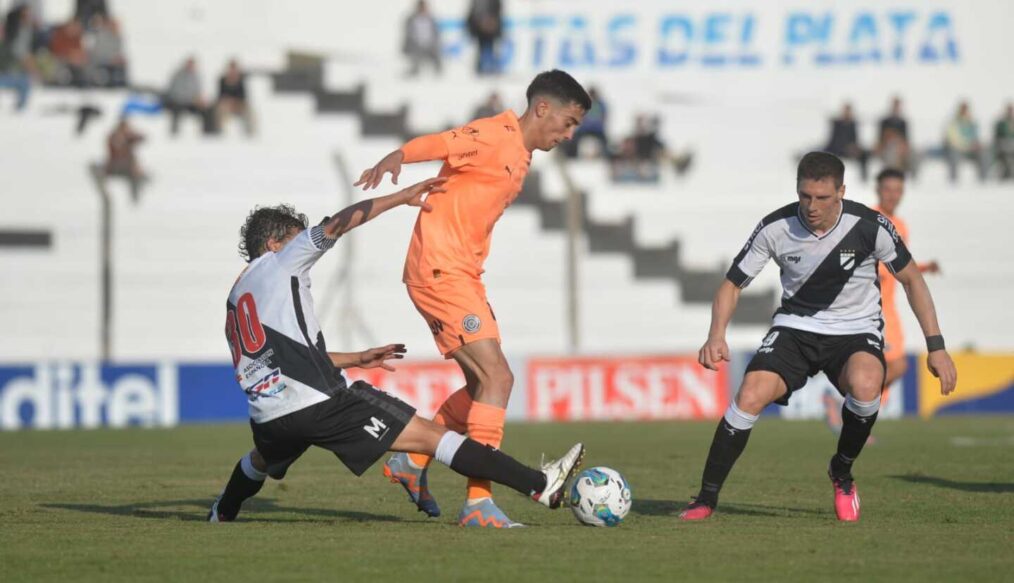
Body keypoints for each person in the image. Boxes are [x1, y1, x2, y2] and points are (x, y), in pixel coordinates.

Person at [208, 178, 585, 523]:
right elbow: (339, 223)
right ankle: (540, 485)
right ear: (274, 244)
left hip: (269, 418)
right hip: (320, 403)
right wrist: (400, 198)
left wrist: (355, 358)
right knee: (433, 439)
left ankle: (222, 512)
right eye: (294, 238)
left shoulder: (237, 298)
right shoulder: (281, 262)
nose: (302, 245)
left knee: (259, 461)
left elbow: (283, 359)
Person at [355, 69, 590, 527]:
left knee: (484, 386)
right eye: (569, 121)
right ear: (542, 108)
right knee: (499, 378)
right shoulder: (495, 134)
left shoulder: (521, 154)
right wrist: (397, 156)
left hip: (462, 273)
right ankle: (479, 503)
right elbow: (440, 143)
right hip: (440, 270)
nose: (569, 133)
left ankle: (413, 463)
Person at [680, 152, 957, 523]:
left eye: (822, 198)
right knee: (749, 394)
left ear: (842, 191)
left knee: (867, 385)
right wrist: (716, 334)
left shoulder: (870, 225)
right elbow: (732, 284)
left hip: (854, 330)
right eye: (805, 196)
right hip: (795, 328)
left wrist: (936, 347)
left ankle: (841, 472)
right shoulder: (775, 227)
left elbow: (912, 279)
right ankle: (706, 498)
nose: (811, 206)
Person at [822, 168, 941, 433]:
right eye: (888, 189)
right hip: (872, 305)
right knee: (895, 365)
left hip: (891, 307)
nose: (893, 195)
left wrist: (921, 268)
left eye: (898, 190)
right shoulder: (867, 219)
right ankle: (846, 405)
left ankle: (850, 410)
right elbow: (850, 255)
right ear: (878, 189)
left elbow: (898, 264)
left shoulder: (901, 225)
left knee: (896, 366)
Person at [164, 56, 213, 136]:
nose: (191, 66)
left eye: (193, 65)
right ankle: (174, 134)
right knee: (176, 109)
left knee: (207, 109)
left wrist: (200, 99)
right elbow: (174, 92)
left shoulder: (196, 76)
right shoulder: (178, 75)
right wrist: (191, 98)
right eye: (189, 64)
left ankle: (207, 133)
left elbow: (199, 91)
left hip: (192, 103)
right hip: (178, 102)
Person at [943, 101, 989, 183]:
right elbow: (951, 139)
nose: (964, 111)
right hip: (958, 148)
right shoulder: (954, 122)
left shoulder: (972, 123)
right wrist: (964, 145)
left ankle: (984, 179)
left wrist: (977, 144)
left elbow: (976, 138)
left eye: (966, 109)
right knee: (953, 153)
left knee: (984, 153)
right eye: (963, 109)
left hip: (971, 149)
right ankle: (953, 181)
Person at [104, 117, 147, 203]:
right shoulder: (115, 137)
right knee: (135, 173)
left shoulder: (128, 137)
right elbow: (118, 148)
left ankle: (136, 194)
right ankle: (135, 197)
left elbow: (141, 137)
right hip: (116, 165)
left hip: (126, 165)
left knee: (137, 172)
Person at [824, 103, 869, 181]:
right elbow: (834, 139)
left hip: (849, 150)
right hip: (836, 148)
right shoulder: (837, 123)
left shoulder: (853, 124)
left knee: (864, 154)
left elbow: (855, 139)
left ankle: (864, 178)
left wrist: (854, 147)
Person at [214, 59, 255, 137]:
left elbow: (244, 96)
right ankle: (220, 132)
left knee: (250, 110)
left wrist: (236, 103)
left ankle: (250, 133)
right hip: (225, 104)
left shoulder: (241, 80)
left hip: (238, 105)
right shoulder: (222, 80)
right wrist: (229, 101)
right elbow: (220, 96)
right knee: (221, 109)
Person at [402, 0, 441, 77]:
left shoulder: (432, 20)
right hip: (416, 47)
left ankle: (438, 75)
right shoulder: (411, 19)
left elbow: (437, 34)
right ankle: (414, 73)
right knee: (415, 57)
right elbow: (408, 36)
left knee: (437, 58)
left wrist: (434, 44)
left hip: (430, 47)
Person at [874, 97, 912, 176]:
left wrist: (904, 146)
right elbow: (880, 138)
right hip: (886, 146)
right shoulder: (884, 121)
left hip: (900, 148)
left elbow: (905, 138)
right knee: (892, 148)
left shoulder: (903, 122)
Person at [466, 0, 502, 75]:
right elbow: (473, 12)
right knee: (481, 47)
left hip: (491, 27)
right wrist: (478, 22)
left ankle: (493, 67)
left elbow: (497, 9)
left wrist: (492, 20)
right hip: (479, 28)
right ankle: (480, 68)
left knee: (492, 47)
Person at [993, 102, 1014, 180]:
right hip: (1003, 147)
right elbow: (998, 136)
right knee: (1006, 158)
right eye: (1009, 110)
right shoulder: (1001, 123)